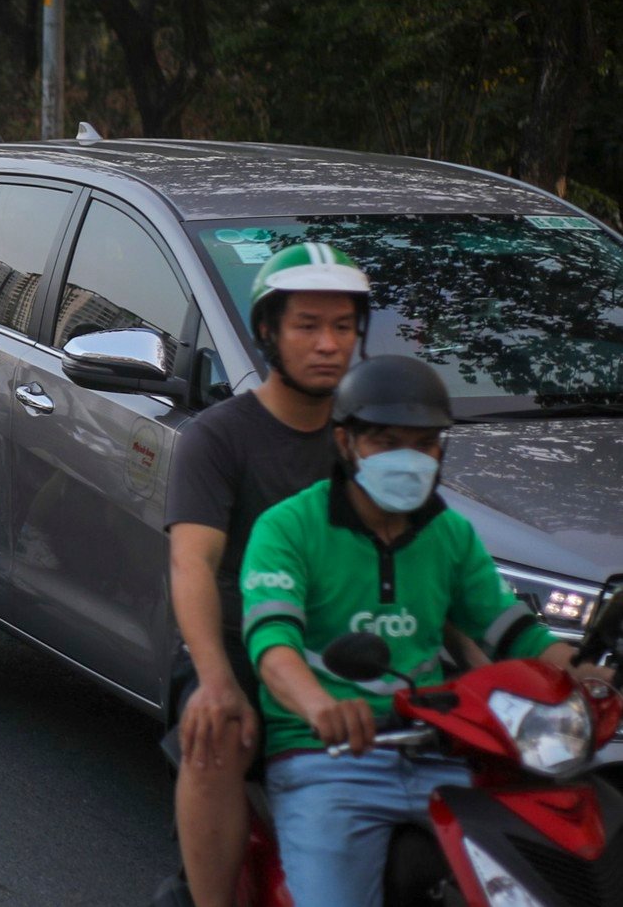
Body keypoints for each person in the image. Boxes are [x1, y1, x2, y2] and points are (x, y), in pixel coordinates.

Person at [243, 355, 604, 906]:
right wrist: (322, 708)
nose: (408, 459)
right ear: (345, 443)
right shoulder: (288, 528)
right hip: (327, 762)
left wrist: (581, 675)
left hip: (446, 757)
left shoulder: (450, 534)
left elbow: (514, 633)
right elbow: (272, 646)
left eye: (425, 443)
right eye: (387, 442)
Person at [164, 243, 370, 906]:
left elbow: (437, 562)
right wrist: (216, 680)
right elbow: (191, 562)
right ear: (268, 333)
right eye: (308, 325)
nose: (329, 344)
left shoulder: (373, 439)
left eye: (343, 326)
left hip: (350, 641)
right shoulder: (219, 437)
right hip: (237, 649)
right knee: (213, 731)